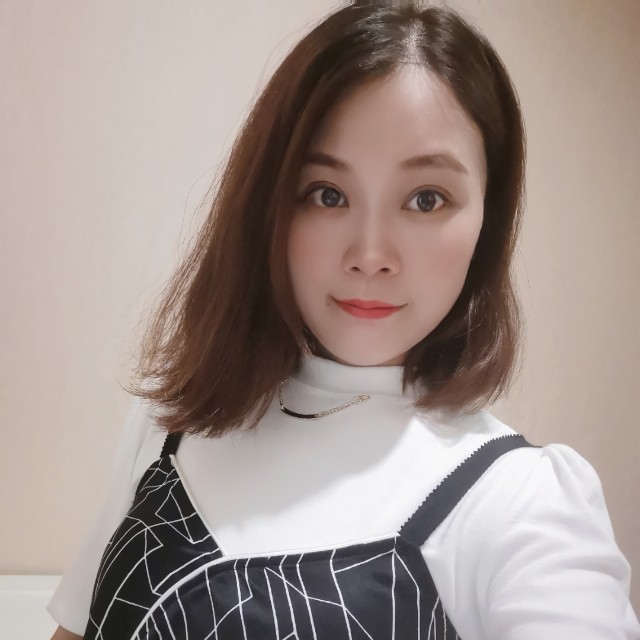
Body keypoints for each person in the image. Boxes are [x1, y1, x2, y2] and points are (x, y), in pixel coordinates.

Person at [48, 2, 639, 639]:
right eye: (328, 195)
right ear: (272, 206)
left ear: (487, 222)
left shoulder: (521, 503)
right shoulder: (176, 416)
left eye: (426, 199)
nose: (370, 254)